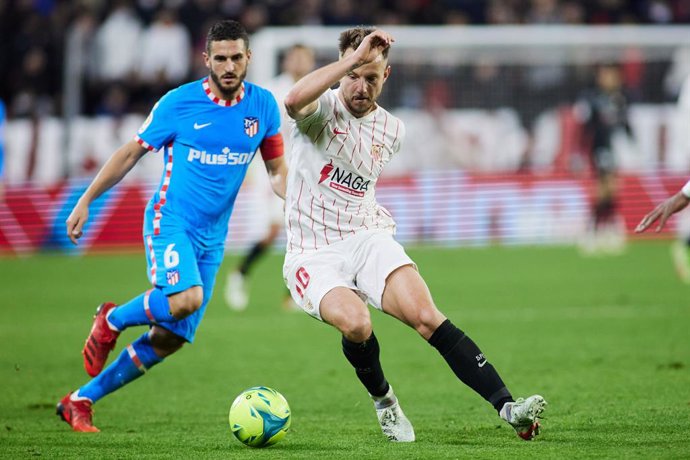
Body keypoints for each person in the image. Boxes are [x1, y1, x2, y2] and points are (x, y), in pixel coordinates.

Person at [281, 26, 546, 443]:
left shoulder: (393, 131)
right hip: (312, 252)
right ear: (341, 71)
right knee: (356, 323)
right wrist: (352, 60)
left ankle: (508, 407)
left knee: (426, 316)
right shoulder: (322, 109)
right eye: (354, 75)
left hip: (366, 237)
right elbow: (293, 100)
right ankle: (385, 402)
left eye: (372, 77)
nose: (361, 86)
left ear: (387, 76)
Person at [56, 20, 287, 432]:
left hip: (213, 239)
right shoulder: (178, 104)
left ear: (249, 57)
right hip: (170, 220)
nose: (229, 66)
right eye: (221, 58)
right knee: (185, 300)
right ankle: (112, 319)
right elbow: (130, 153)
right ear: (207, 60)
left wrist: (302, 199)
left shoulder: (264, 107)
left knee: (170, 339)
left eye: (237, 57)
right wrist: (87, 200)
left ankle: (79, 400)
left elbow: (276, 171)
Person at [226, 44, 315, 311]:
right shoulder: (273, 90)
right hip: (275, 170)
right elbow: (252, 128)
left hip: (308, 172)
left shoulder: (319, 88)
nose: (299, 62)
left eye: (304, 57)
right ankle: (240, 273)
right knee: (275, 231)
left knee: (305, 232)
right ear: (286, 61)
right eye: (295, 56)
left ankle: (293, 294)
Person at [576, 63, 634, 255]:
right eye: (607, 75)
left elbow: (626, 125)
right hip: (599, 149)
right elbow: (585, 129)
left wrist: (634, 144)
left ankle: (606, 230)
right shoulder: (592, 99)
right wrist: (580, 152)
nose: (610, 79)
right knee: (603, 190)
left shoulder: (620, 99)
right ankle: (593, 231)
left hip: (613, 149)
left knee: (611, 190)